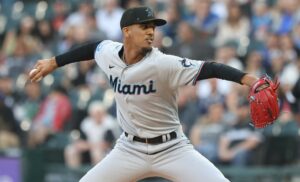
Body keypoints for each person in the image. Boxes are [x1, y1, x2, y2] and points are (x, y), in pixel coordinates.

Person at [29, 6, 259, 182]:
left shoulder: (164, 63)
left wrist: (250, 80)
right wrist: (54, 62)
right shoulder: (108, 52)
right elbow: (91, 48)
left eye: (153, 27)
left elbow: (210, 68)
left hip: (172, 148)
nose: (151, 32)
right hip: (129, 149)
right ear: (126, 31)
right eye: (144, 26)